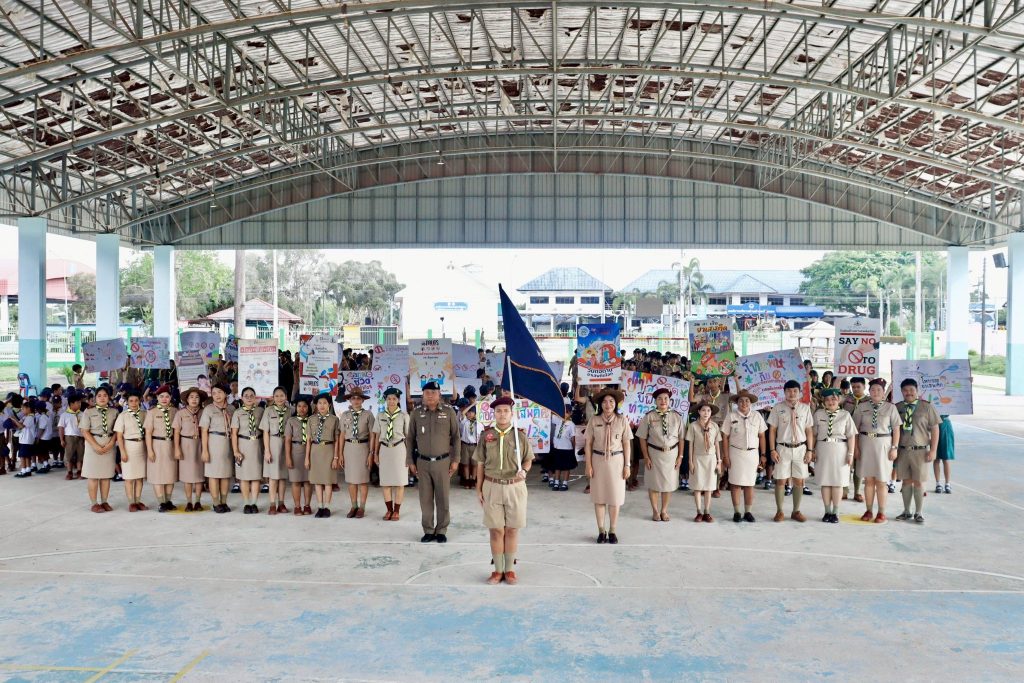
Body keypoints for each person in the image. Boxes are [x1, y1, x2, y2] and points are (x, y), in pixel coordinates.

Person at [474, 395, 534, 585]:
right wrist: (478, 488)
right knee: (496, 530)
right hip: (492, 486)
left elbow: (528, 459)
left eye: (506, 411)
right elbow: (480, 463)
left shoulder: (520, 436)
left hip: (515, 486)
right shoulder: (486, 435)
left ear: (511, 413)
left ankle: (509, 570)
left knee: (512, 530)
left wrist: (524, 471)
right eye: (498, 411)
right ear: (494, 413)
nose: (502, 414)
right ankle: (497, 570)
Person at [406, 381, 460, 543]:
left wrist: (456, 460)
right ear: (422, 395)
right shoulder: (416, 413)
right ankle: (428, 530)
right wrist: (410, 460)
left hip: (443, 462)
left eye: (433, 392)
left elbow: (456, 437)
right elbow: (410, 438)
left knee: (443, 498)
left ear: (439, 394)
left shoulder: (448, 412)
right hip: (422, 462)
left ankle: (441, 530)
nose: (430, 395)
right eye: (427, 393)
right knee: (425, 499)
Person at [584, 387, 630, 544]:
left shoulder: (622, 420)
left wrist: (627, 465)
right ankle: (601, 530)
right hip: (598, 461)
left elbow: (626, 443)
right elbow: (588, 444)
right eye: (604, 402)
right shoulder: (594, 420)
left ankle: (612, 530)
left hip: (617, 461)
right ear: (600, 404)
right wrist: (588, 465)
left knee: (615, 498)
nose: (608, 404)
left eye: (611, 401)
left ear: (616, 404)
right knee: (599, 498)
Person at [852, 378, 900, 522]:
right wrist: (855, 448)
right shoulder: (862, 407)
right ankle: (868, 511)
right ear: (869, 391)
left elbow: (896, 429)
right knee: (868, 480)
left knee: (881, 481)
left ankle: (881, 512)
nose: (876, 392)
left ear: (884, 392)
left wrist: (894, 448)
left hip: (883, 445)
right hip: (865, 444)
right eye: (873, 389)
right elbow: (855, 429)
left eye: (879, 389)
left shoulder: (890, 408)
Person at [766, 380, 814, 523]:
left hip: (800, 448)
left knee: (799, 480)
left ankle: (796, 511)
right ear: (784, 392)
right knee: (781, 480)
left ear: (799, 393)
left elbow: (809, 430)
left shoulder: (805, 408)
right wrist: (772, 450)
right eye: (788, 391)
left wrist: (810, 450)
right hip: (782, 448)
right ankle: (779, 511)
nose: (792, 393)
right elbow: (772, 430)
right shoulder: (777, 408)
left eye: (795, 391)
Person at [894, 378, 941, 523]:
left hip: (920, 451)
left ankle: (919, 512)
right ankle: (906, 511)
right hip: (903, 450)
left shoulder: (926, 407)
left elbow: (935, 429)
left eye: (911, 390)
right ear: (901, 391)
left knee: (919, 482)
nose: (908, 393)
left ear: (917, 391)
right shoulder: (897, 407)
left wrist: (933, 450)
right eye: (905, 390)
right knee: (906, 482)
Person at [636, 387, 684, 522]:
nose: (663, 401)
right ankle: (655, 511)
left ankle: (664, 510)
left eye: (666, 398)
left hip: (671, 455)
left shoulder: (676, 416)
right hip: (654, 455)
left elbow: (681, 438)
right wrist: (646, 457)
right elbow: (642, 437)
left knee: (668, 484)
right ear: (655, 401)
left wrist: (680, 456)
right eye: (659, 399)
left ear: (670, 401)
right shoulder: (649, 417)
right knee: (654, 484)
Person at [812, 388, 857, 523]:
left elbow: (851, 436)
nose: (830, 402)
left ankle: (835, 512)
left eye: (833, 399)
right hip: (823, 448)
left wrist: (850, 453)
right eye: (827, 400)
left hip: (840, 450)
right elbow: (813, 434)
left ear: (839, 400)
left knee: (838, 482)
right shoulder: (818, 414)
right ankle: (827, 512)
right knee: (825, 481)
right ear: (823, 401)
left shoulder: (845, 415)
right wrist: (812, 450)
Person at [721, 389, 767, 523]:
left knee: (749, 484)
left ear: (751, 402)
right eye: (741, 401)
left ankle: (748, 511)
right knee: (735, 484)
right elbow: (725, 437)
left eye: (747, 400)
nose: (744, 403)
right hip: (736, 453)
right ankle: (737, 512)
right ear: (737, 403)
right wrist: (726, 456)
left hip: (752, 454)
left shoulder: (757, 416)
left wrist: (763, 454)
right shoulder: (731, 416)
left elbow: (762, 436)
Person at [371, 387, 409, 520]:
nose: (391, 401)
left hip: (399, 449)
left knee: (400, 481)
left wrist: (409, 456)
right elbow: (377, 435)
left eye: (394, 399)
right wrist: (375, 453)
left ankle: (397, 511)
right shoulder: (380, 415)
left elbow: (408, 437)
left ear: (398, 400)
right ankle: (389, 510)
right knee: (385, 482)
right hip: (384, 449)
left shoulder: (404, 416)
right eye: (389, 399)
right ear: (385, 400)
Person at [337, 387, 375, 518]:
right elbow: (342, 435)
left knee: (363, 480)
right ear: (350, 400)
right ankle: (353, 506)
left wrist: (371, 453)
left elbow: (372, 435)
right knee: (351, 480)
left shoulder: (368, 415)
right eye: (353, 398)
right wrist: (340, 454)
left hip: (363, 447)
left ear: (363, 400)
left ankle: (362, 507)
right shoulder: (345, 415)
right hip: (349, 448)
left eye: (359, 398)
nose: (356, 400)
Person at [80, 386, 117, 511]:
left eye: (105, 395)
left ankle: (105, 501)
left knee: (106, 475)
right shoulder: (88, 412)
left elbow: (117, 431)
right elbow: (84, 431)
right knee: (93, 476)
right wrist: (95, 445)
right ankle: (94, 503)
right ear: (95, 398)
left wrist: (111, 443)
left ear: (109, 398)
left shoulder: (114, 412)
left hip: (109, 444)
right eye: (99, 396)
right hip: (93, 444)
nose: (102, 398)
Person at [201, 384, 236, 513]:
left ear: (226, 394)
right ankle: (216, 503)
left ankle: (224, 502)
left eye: (220, 392)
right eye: (214, 393)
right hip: (214, 442)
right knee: (214, 475)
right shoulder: (208, 409)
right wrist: (205, 450)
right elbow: (204, 431)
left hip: (228, 442)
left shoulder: (231, 408)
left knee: (226, 475)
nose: (217, 395)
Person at [686, 401, 722, 522]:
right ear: (699, 412)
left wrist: (719, 461)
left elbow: (717, 444)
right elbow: (691, 445)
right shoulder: (693, 426)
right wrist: (690, 461)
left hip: (711, 459)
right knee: (697, 486)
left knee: (709, 487)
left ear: (711, 413)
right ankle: (699, 512)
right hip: (697, 458)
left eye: (708, 410)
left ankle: (707, 512)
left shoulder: (715, 426)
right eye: (703, 410)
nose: (706, 413)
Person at [306, 393, 341, 517]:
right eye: (319, 403)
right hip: (315, 451)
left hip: (329, 450)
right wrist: (307, 458)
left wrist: (336, 457)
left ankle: (327, 507)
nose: (322, 405)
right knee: (317, 481)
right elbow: (308, 440)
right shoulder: (311, 419)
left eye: (325, 403)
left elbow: (337, 440)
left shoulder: (334, 419)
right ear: (316, 405)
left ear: (329, 405)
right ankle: (320, 507)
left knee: (328, 481)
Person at [144, 385, 179, 512]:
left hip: (170, 445)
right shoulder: (152, 412)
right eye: (161, 396)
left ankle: (168, 501)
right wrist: (150, 450)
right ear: (157, 398)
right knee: (157, 475)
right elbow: (148, 433)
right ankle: (161, 502)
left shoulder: (175, 411)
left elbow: (177, 431)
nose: (164, 399)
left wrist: (177, 448)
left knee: (170, 475)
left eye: (167, 396)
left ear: (171, 397)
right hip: (157, 445)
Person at [231, 387, 265, 514]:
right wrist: (236, 450)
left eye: (252, 395)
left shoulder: (261, 411)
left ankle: (254, 503)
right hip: (243, 444)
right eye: (246, 395)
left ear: (255, 397)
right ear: (242, 398)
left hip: (257, 444)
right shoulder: (238, 412)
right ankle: (246, 503)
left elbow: (265, 430)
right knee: (244, 477)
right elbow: (234, 433)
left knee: (256, 476)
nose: (249, 398)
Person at [260, 387, 293, 515]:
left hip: (286, 444)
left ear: (286, 397)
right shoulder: (268, 410)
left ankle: (281, 503)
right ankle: (272, 504)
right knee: (273, 477)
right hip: (273, 443)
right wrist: (267, 450)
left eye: (282, 395)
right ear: (273, 397)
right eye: (276, 396)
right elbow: (265, 432)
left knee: (282, 476)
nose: (279, 398)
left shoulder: (291, 410)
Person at [174, 387, 207, 511]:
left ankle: (197, 501)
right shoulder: (180, 413)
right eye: (191, 397)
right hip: (186, 444)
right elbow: (176, 432)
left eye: (197, 397)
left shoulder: (204, 412)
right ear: (187, 400)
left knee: (199, 475)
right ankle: (189, 501)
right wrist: (177, 448)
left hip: (200, 443)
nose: (194, 399)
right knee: (187, 475)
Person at [114, 390, 148, 512]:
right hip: (129, 446)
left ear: (140, 401)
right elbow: (119, 436)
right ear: (127, 402)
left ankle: (138, 501)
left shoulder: (144, 414)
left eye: (136, 400)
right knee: (129, 477)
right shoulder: (122, 416)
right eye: (131, 401)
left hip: (142, 446)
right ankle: (131, 502)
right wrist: (122, 451)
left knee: (139, 477)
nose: (134, 403)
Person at [285, 397, 314, 515]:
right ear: (295, 407)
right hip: (295, 451)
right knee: (296, 481)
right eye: (299, 406)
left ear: (308, 408)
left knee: (308, 481)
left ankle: (307, 505)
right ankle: (297, 506)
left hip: (310, 451)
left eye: (305, 406)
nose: (302, 409)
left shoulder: (312, 420)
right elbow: (287, 440)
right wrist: (288, 457)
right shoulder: (291, 421)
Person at [842, 377, 869, 502]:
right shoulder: (846, 399)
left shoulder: (869, 401)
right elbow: (834, 397)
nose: (856, 389)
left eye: (858, 387)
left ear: (864, 386)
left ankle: (857, 492)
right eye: (853, 387)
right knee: (846, 463)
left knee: (859, 464)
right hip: (845, 435)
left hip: (862, 436)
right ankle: (844, 490)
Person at [548, 405, 577, 491]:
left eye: (567, 412)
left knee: (566, 467)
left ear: (570, 413)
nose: (565, 414)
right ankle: (556, 482)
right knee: (557, 466)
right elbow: (550, 413)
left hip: (567, 448)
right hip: (557, 448)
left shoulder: (571, 424)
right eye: (563, 412)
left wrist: (573, 449)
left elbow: (573, 438)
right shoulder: (558, 420)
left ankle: (565, 483)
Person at [58, 392, 85, 480]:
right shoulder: (64, 415)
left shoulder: (82, 414)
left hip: (80, 437)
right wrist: (62, 439)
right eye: (78, 403)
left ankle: (79, 471)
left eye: (80, 402)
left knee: (80, 455)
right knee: (69, 455)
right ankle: (69, 472)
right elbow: (61, 428)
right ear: (71, 404)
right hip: (69, 437)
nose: (80, 404)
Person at [458, 400, 479, 490]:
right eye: (469, 412)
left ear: (475, 414)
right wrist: (472, 405)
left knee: (475, 464)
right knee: (465, 464)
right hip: (465, 445)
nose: (470, 414)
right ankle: (467, 481)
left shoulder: (477, 423)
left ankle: (473, 481)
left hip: (475, 446)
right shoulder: (464, 422)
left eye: (472, 412)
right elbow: (463, 413)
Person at [934, 415, 954, 494]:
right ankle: (938, 483)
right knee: (936, 457)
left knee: (946, 457)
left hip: (945, 425)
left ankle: (947, 483)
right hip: (934, 423)